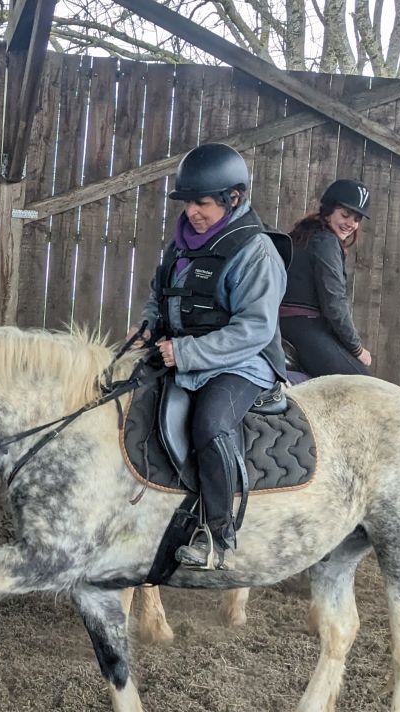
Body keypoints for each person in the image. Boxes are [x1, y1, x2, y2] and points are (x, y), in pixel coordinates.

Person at [131, 143, 289, 571]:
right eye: (187, 203)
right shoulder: (180, 245)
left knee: (211, 424)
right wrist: (149, 326)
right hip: (181, 356)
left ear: (232, 198)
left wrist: (185, 351)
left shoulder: (256, 253)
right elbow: (159, 296)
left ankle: (215, 533)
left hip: (241, 363)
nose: (192, 212)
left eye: (202, 203)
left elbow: (254, 329)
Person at [279, 179, 373, 377]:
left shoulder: (304, 234)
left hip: (284, 324)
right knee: (364, 384)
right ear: (329, 210)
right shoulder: (326, 242)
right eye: (345, 215)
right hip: (303, 326)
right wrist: (357, 349)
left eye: (356, 219)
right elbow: (334, 304)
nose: (350, 224)